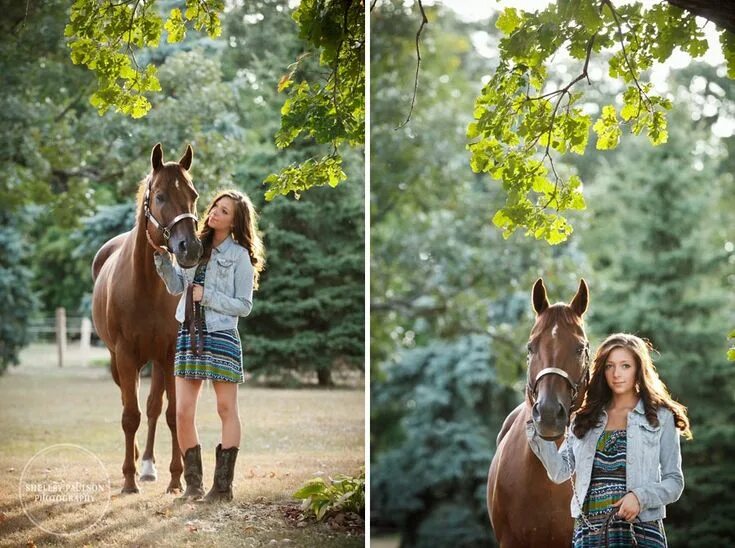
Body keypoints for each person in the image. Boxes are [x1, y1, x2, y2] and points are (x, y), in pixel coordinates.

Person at [526, 333, 691, 547]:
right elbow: (560, 472)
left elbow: (674, 481)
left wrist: (640, 498)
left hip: (639, 532)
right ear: (601, 370)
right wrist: (535, 428)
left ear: (639, 369)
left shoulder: (661, 416)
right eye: (609, 366)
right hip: (589, 533)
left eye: (625, 366)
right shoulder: (583, 419)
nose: (616, 374)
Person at [153, 189, 265, 503]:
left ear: (235, 221)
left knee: (226, 409)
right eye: (216, 205)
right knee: (183, 411)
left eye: (224, 210)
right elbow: (177, 286)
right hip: (189, 333)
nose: (215, 211)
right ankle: (193, 486)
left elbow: (244, 305)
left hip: (221, 335)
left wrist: (208, 296)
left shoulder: (240, 255)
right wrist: (163, 262)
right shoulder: (194, 247)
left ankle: (223, 488)